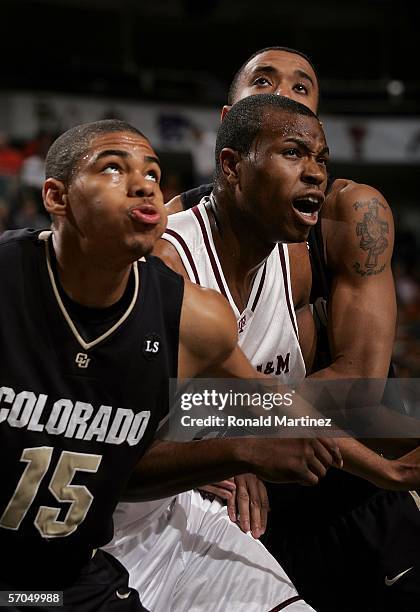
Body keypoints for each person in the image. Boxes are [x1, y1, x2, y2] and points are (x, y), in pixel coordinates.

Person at [0, 118, 345, 611]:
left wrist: (389, 460)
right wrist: (238, 448)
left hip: (96, 557)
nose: (144, 183)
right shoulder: (12, 280)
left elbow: (278, 409)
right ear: (57, 197)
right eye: (114, 168)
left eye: (154, 173)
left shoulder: (193, 315)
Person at [107, 97, 420, 612]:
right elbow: (118, 438)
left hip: (206, 517)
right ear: (231, 165)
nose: (315, 173)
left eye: (321, 158)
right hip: (121, 521)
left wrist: (393, 470)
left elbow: (274, 396)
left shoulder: (294, 265)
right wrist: (234, 446)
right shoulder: (166, 261)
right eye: (294, 154)